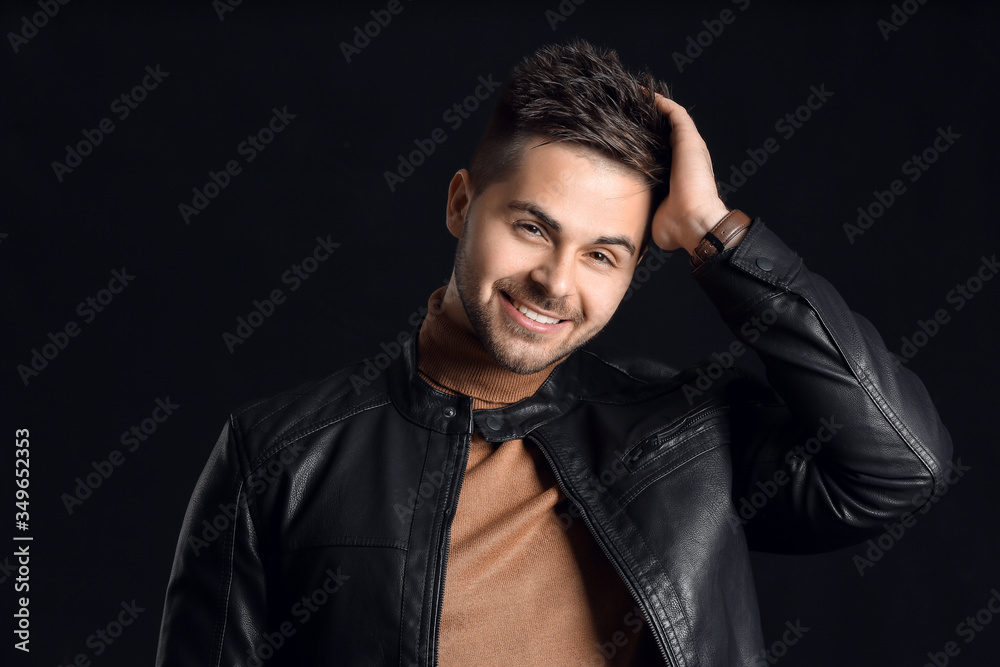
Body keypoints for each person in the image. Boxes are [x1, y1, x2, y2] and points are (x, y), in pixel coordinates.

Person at [154, 37, 953, 666]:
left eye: (603, 254)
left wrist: (715, 232)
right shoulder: (280, 456)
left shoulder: (687, 435)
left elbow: (899, 463)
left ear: (635, 269)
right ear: (462, 203)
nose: (554, 283)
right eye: (532, 227)